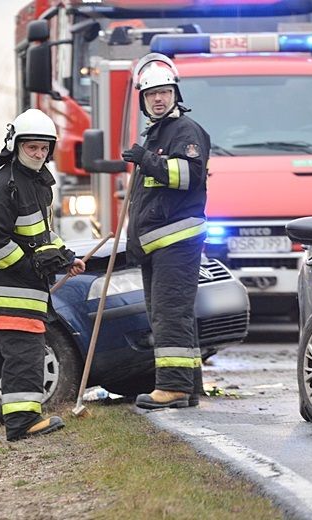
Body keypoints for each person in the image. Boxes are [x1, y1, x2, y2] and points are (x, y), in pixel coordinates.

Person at [0, 108, 86, 446]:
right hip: (11, 291)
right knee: (26, 352)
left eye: (43, 148)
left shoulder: (39, 185)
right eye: (31, 148)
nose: (38, 154)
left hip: (21, 290)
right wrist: (30, 268)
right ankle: (23, 420)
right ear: (15, 146)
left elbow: (43, 234)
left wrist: (66, 258)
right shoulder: (4, 185)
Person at [120, 54, 211, 410]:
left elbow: (188, 177)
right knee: (171, 313)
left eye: (164, 92)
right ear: (143, 100)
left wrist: (147, 160)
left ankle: (172, 387)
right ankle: (189, 386)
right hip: (159, 244)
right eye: (151, 94)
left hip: (177, 241)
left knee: (169, 313)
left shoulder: (186, 132)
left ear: (176, 94)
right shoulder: (157, 132)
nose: (158, 99)